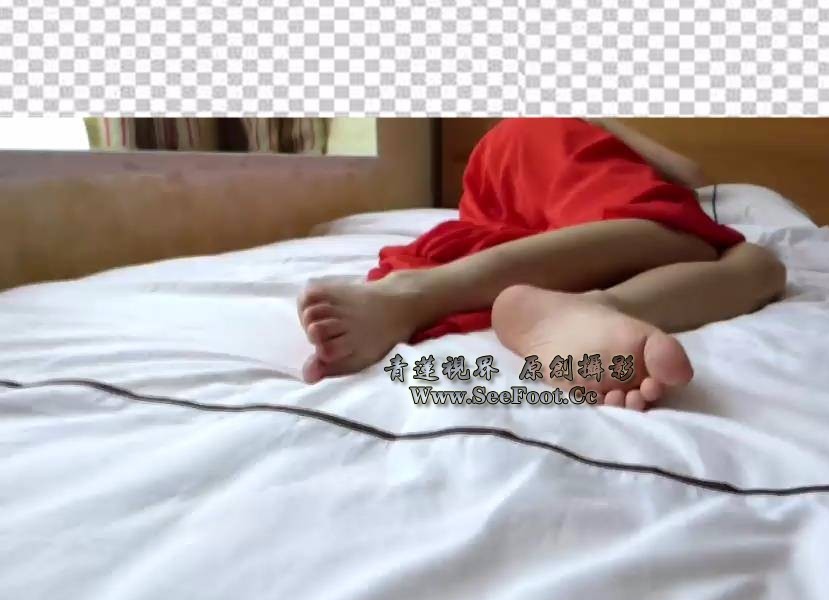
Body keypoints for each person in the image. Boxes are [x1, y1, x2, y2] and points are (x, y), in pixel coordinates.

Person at [297, 118, 786, 411]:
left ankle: (592, 309)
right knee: (686, 242)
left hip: (520, 204)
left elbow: (690, 179)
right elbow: (689, 177)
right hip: (532, 150)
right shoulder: (561, 123)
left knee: (763, 266)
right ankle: (412, 294)